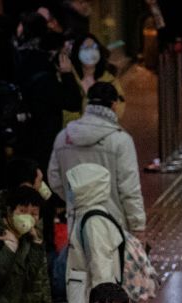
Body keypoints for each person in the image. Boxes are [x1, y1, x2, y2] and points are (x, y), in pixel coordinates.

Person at [46, 82, 146, 236]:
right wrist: (138, 226)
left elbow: (54, 178)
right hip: (114, 226)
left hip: (77, 223)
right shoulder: (121, 140)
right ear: (114, 105)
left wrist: (74, 199)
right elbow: (129, 188)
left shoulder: (64, 137)